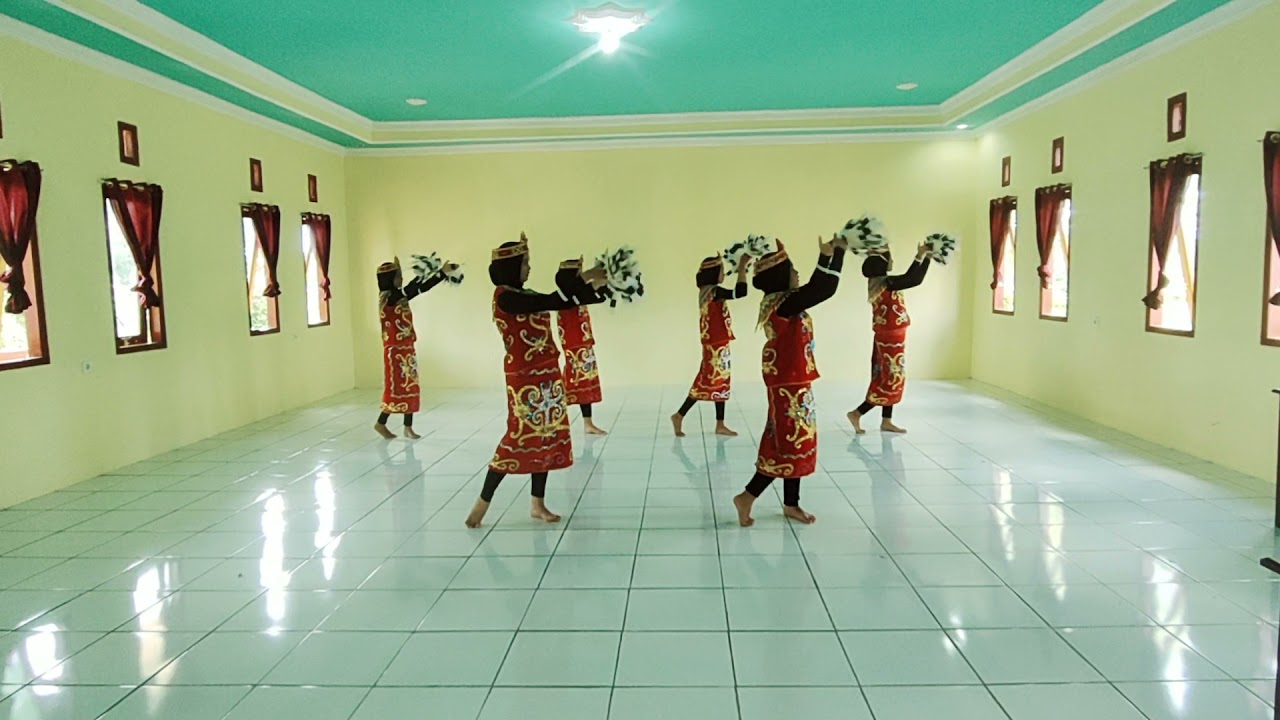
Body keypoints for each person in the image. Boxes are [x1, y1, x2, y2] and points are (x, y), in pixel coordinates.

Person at [466, 235, 608, 528]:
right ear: (511, 267)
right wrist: (579, 277)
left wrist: (589, 282)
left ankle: (537, 504)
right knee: (517, 438)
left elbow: (567, 300)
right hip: (524, 380)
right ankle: (482, 503)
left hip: (547, 375)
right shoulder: (506, 296)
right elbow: (554, 300)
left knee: (544, 439)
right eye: (525, 263)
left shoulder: (524, 293)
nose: (529, 269)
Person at [734, 236, 847, 527]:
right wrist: (831, 255)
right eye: (793, 269)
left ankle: (791, 504)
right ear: (780, 276)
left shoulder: (783, 302)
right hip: (788, 383)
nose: (797, 274)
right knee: (789, 443)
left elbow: (820, 288)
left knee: (792, 440)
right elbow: (824, 288)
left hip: (793, 380)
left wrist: (834, 255)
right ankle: (747, 496)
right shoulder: (784, 304)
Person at [847, 244, 931, 435]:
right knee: (891, 378)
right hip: (890, 337)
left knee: (886, 375)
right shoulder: (886, 283)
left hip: (891, 334)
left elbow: (907, 277)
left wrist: (919, 255)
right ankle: (857, 413)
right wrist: (925, 257)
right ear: (882, 266)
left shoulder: (881, 281)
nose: (892, 261)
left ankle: (886, 421)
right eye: (888, 259)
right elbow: (914, 279)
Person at [374, 257, 456, 439]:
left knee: (410, 387)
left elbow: (415, 288)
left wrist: (438, 273)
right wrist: (439, 273)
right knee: (396, 389)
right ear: (389, 279)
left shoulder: (396, 296)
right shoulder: (389, 298)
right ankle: (381, 423)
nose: (400, 280)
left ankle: (407, 427)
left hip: (406, 348)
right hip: (394, 352)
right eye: (397, 276)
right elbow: (414, 289)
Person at [671, 255, 751, 437]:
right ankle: (679, 415)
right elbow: (740, 292)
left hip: (718, 342)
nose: (723, 274)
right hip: (715, 343)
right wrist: (742, 268)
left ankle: (719, 423)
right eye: (721, 271)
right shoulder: (713, 291)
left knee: (720, 381)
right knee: (708, 380)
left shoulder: (708, 291)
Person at [556, 259, 608, 436]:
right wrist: (596, 282)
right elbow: (587, 294)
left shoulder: (574, 295)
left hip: (583, 343)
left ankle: (587, 423)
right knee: (576, 380)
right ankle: (557, 419)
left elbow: (598, 297)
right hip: (575, 345)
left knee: (582, 380)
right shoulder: (567, 297)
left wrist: (602, 284)